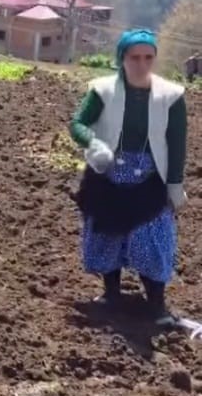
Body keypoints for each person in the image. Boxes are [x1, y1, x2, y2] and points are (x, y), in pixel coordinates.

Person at [70, 29, 187, 325]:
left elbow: (177, 143)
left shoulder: (170, 96)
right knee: (106, 233)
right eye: (134, 57)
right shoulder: (103, 90)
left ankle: (157, 304)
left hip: (149, 178)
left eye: (148, 57)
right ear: (122, 58)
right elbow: (78, 123)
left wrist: (174, 184)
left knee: (149, 237)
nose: (141, 64)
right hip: (108, 174)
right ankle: (111, 293)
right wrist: (93, 143)